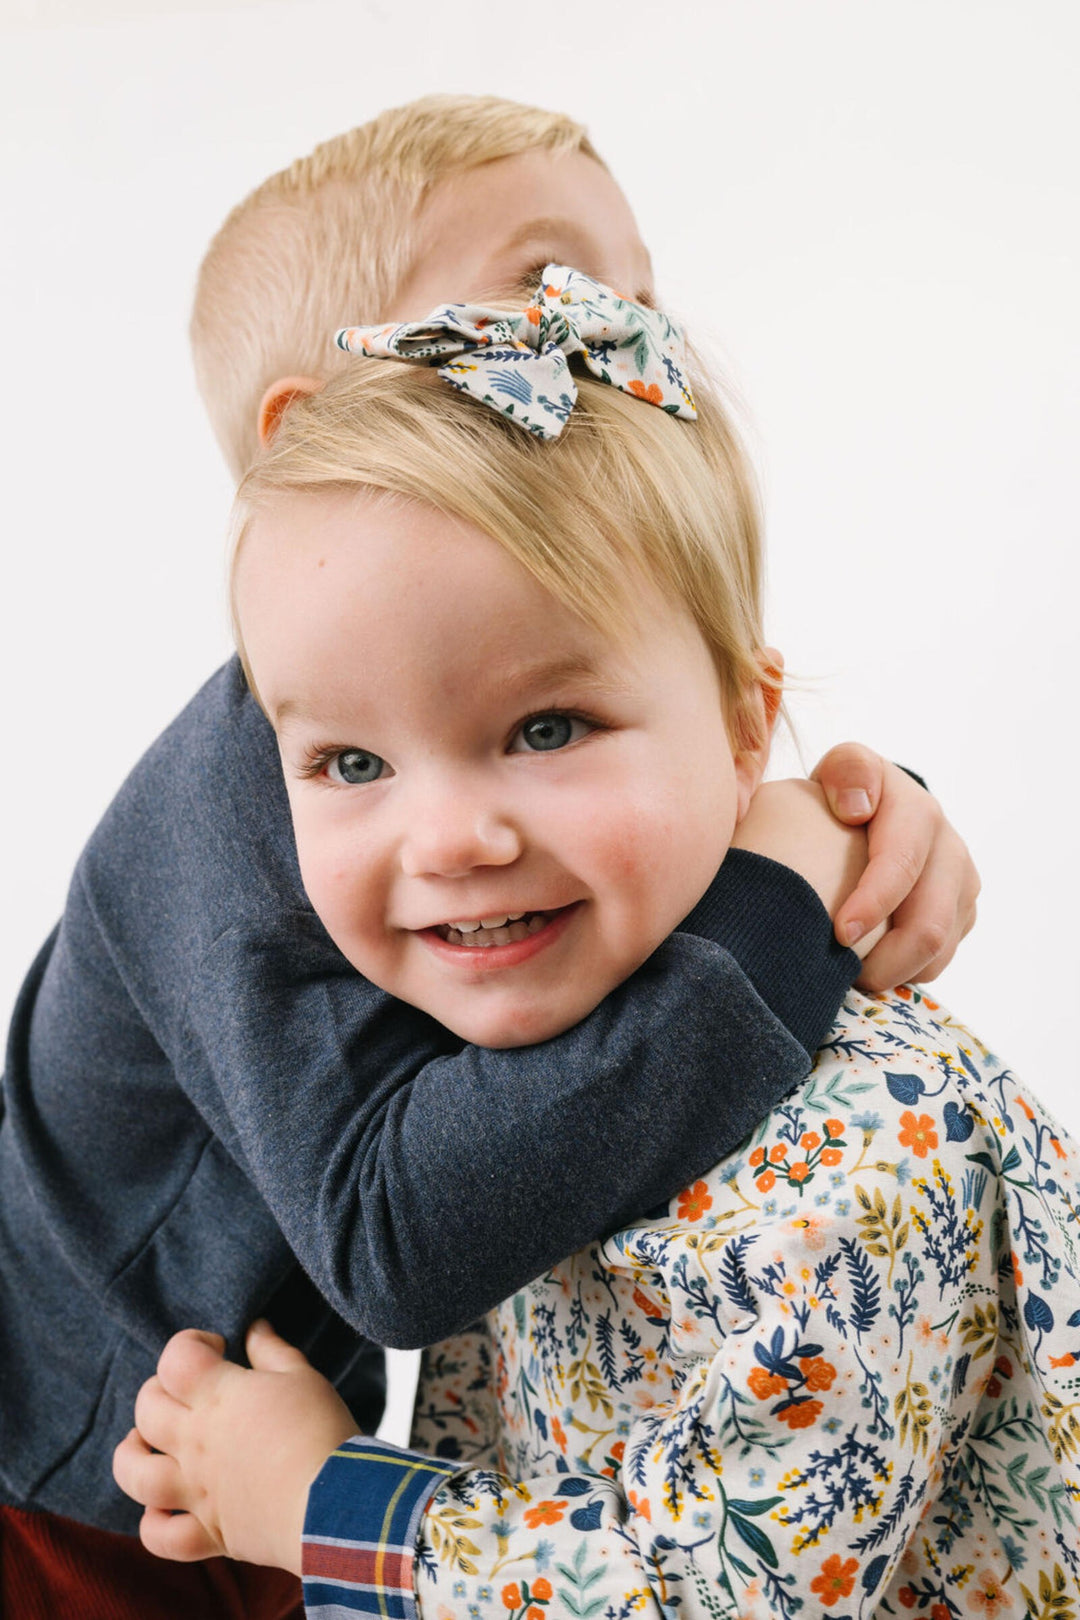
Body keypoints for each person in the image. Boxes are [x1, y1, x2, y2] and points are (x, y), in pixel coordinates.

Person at [0, 95, 975, 1618]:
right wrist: (783, 902)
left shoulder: (461, 704)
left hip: (260, 1418)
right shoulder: (218, 815)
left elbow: (662, 772)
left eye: (633, 302)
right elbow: (395, 1239)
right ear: (306, 426)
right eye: (548, 297)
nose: (622, 342)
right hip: (94, 1452)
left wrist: (857, 815)